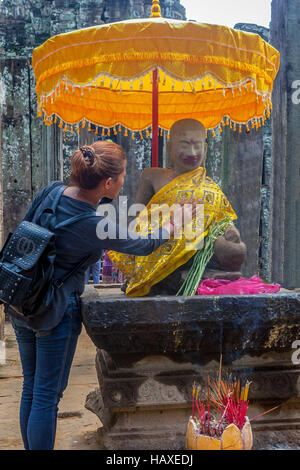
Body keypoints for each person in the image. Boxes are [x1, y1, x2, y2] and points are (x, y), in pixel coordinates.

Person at [7, 140, 195, 450]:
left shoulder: (52, 191)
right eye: (122, 175)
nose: (124, 180)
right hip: (54, 311)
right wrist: (176, 223)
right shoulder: (92, 224)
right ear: (108, 183)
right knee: (47, 396)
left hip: (21, 299)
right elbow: (143, 244)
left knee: (32, 388)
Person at [109, 119, 247, 296]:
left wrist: (229, 230)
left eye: (197, 145)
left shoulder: (209, 186)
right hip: (163, 241)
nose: (192, 152)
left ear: (205, 149)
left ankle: (198, 273)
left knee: (236, 250)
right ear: (169, 147)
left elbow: (222, 220)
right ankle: (169, 275)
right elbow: (139, 216)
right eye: (184, 145)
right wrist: (164, 222)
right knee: (146, 239)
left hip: (199, 247)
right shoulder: (152, 176)